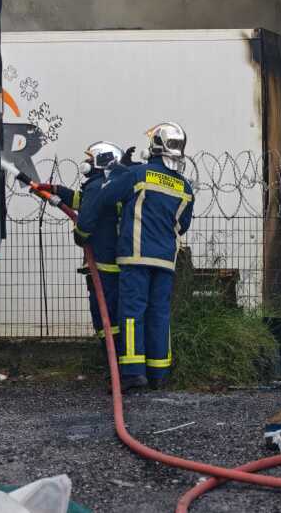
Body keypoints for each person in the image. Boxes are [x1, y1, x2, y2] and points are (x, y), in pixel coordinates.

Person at [75, 123, 193, 391]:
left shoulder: (138, 174)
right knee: (159, 315)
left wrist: (119, 171)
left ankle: (132, 373)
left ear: (156, 146)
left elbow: (106, 196)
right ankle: (159, 373)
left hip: (135, 257)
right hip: (166, 260)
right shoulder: (185, 186)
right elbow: (183, 225)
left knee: (131, 314)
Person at [36, 142, 129, 354]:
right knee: (111, 313)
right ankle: (115, 359)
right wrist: (56, 191)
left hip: (103, 263)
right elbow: (82, 201)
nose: (86, 162)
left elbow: (85, 222)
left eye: (90, 158)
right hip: (110, 262)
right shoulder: (105, 185)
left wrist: (80, 236)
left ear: (102, 161)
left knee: (104, 315)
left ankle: (112, 359)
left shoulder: (97, 186)